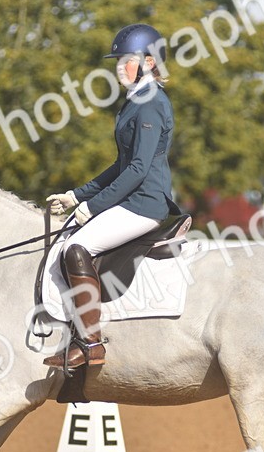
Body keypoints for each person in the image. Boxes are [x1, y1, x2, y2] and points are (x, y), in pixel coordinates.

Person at [43, 23, 180, 369]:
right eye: (117, 61)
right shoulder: (136, 100)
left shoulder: (149, 104)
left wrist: (94, 207)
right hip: (132, 198)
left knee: (76, 249)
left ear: (149, 62)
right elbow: (120, 165)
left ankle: (90, 343)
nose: (120, 67)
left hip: (145, 204)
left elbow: (136, 169)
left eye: (126, 61)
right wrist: (76, 196)